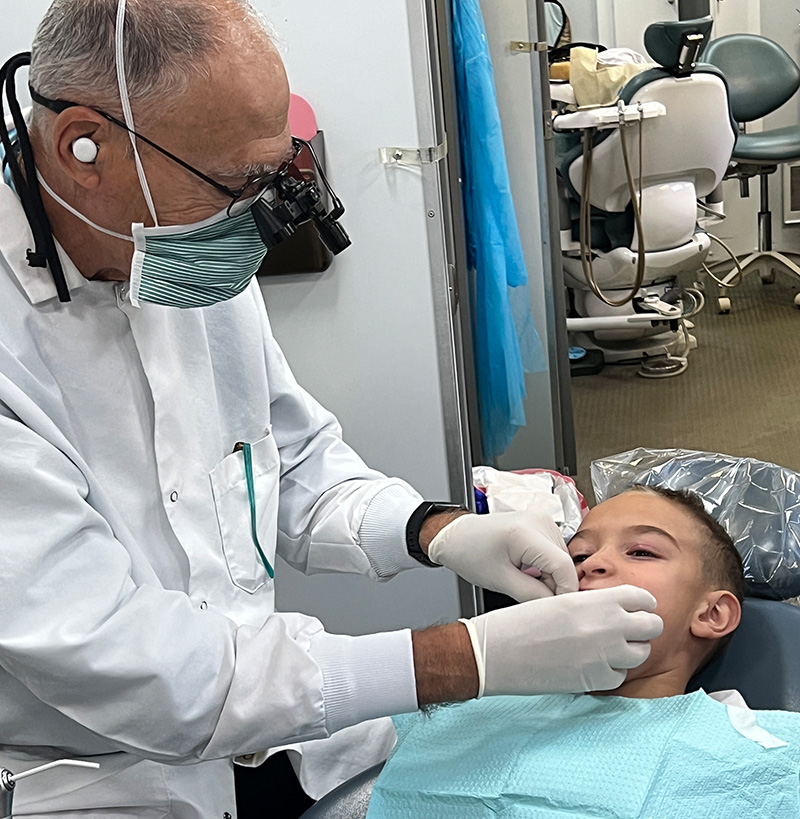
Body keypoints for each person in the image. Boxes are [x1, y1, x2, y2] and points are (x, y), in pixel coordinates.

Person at [0, 1, 663, 816]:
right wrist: (466, 657)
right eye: (239, 185)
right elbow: (123, 658)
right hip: (96, 774)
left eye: (274, 177)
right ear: (84, 147)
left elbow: (293, 459)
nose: (260, 220)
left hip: (277, 744)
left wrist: (437, 528)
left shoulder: (178, 250)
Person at [370, 486, 800, 818]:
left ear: (713, 614)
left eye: (642, 551)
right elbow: (311, 711)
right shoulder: (457, 702)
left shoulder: (765, 751)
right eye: (578, 553)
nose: (591, 564)